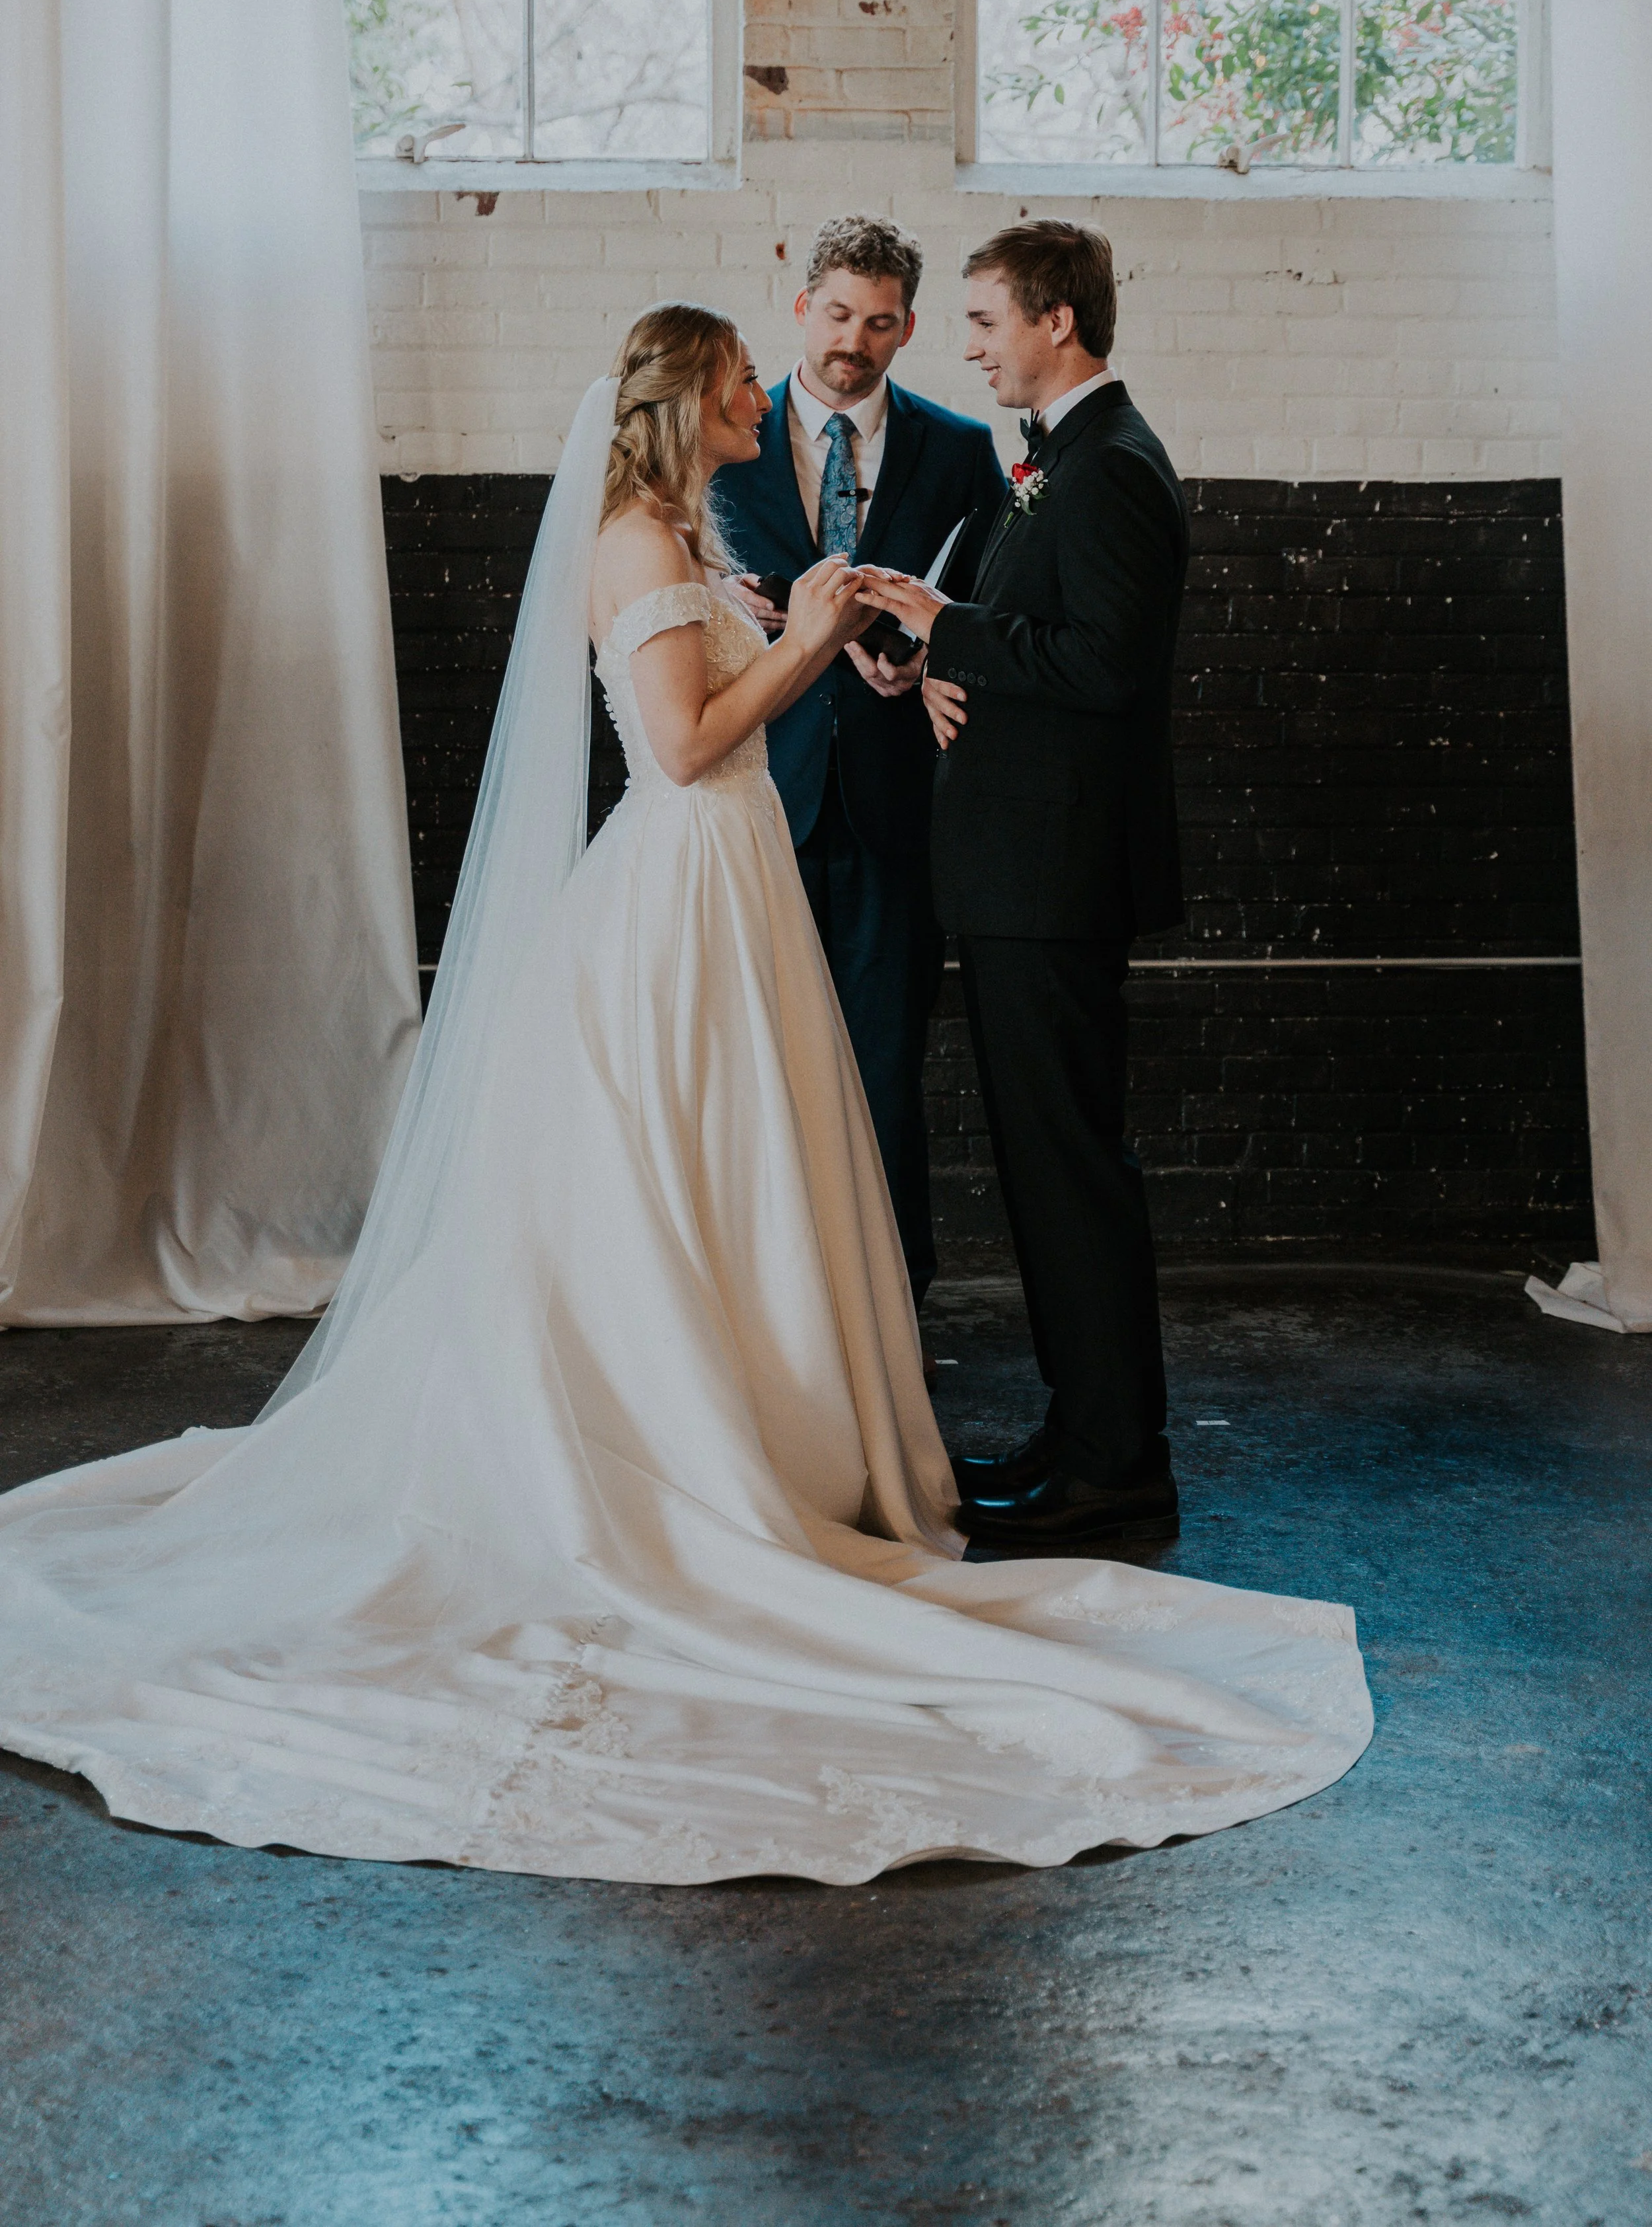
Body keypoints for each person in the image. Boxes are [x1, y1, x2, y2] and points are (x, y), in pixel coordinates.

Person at [0, 305, 1369, 1884]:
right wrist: (795, 635)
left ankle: (770, 1436)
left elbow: (747, 683)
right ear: (688, 402)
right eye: (735, 383)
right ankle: (677, 1470)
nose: (755, 399)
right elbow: (678, 746)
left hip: (738, 890)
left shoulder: (683, 528)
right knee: (670, 1179)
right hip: (682, 885)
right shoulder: (636, 548)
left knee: (744, 1177)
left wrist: (841, 634)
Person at [857, 221, 1187, 1554]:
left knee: (1067, 1172)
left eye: (985, 319)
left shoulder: (1109, 467)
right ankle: (1079, 1433)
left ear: (1056, 321)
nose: (968, 344)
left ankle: (1115, 1466)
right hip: (1014, 875)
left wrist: (951, 630)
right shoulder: (1057, 462)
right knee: (1046, 1169)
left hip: (1051, 878)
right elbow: (1025, 639)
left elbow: (1106, 665)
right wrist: (925, 659)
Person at [713, 217, 1006, 1321]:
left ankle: (888, 1302)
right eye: (838, 315)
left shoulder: (959, 448)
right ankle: (763, 1299)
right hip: (756, 794)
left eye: (880, 323)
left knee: (882, 1063)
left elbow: (980, 607)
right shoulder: (727, 437)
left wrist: (930, 652)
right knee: (755, 1063)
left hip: (897, 807)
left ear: (908, 329)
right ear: (802, 306)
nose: (855, 341)